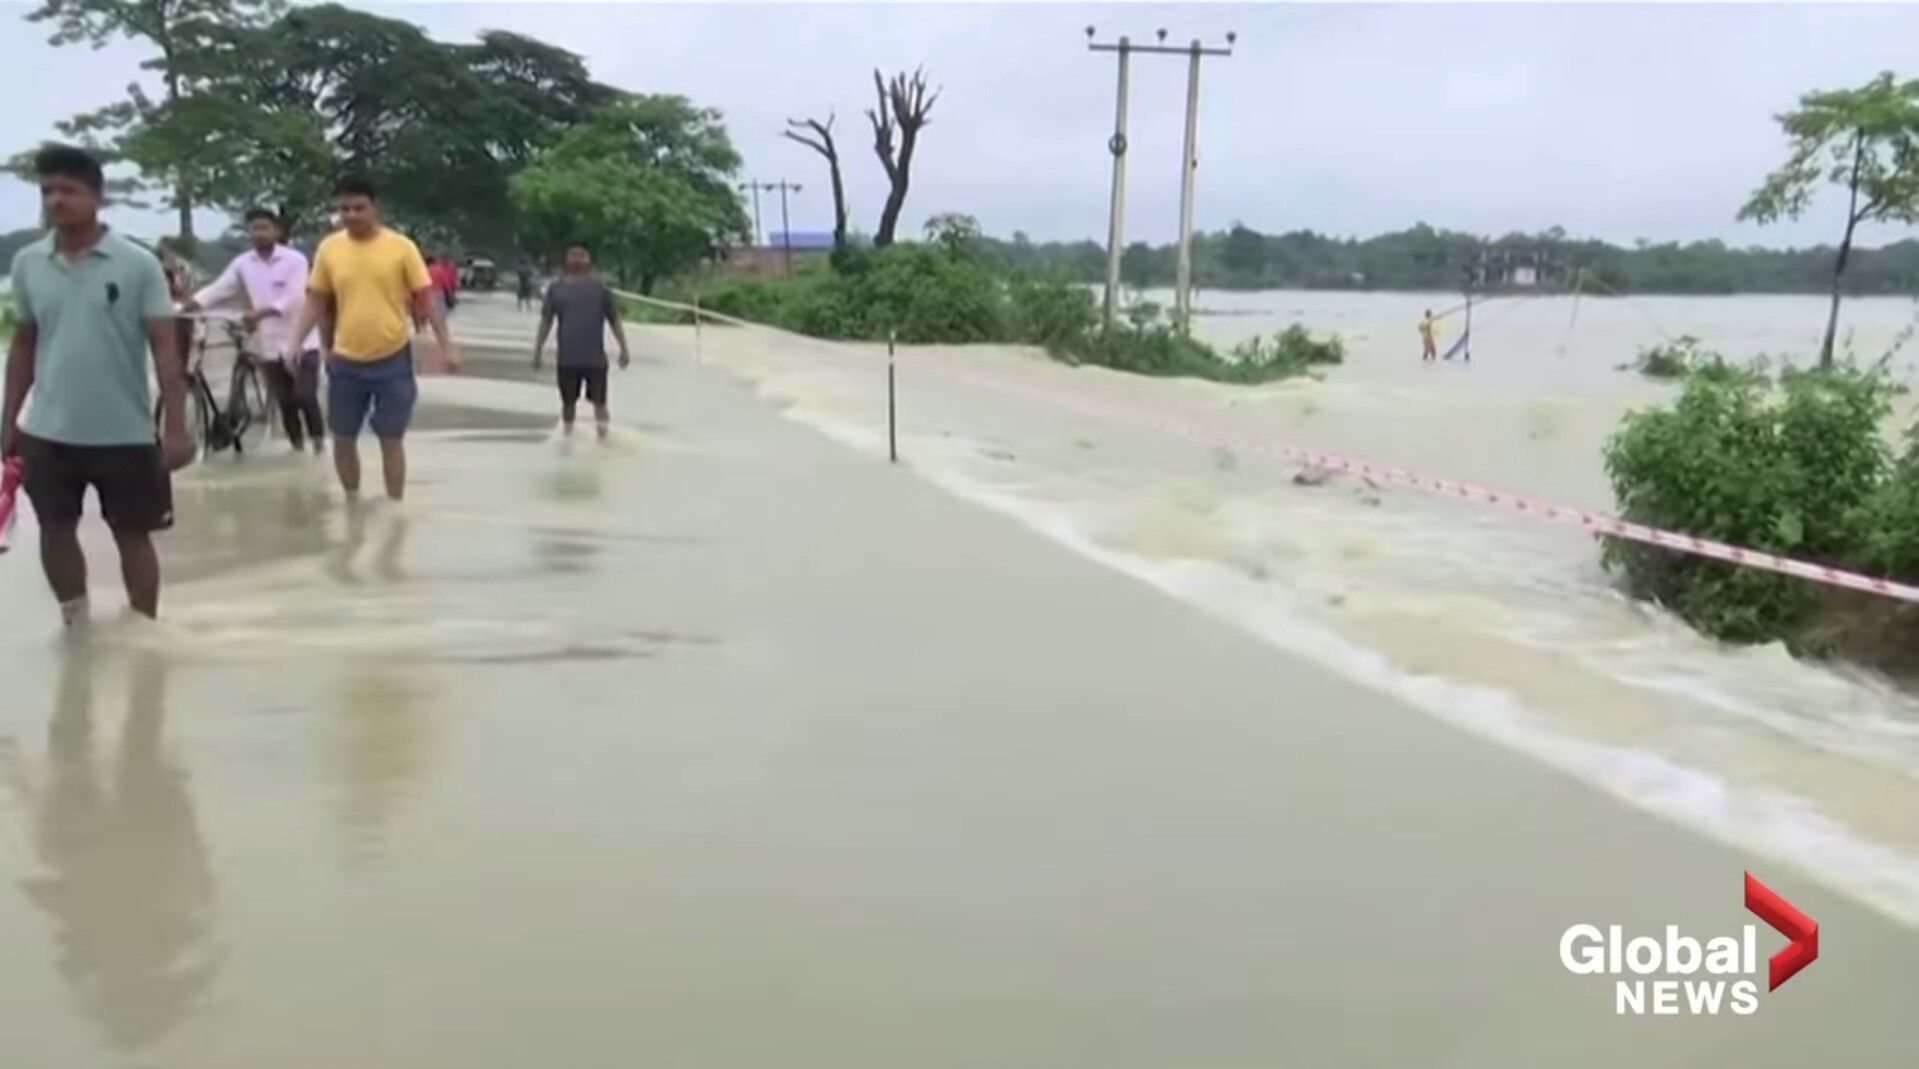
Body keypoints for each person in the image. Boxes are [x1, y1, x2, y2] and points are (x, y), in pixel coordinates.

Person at [2, 145, 193, 623]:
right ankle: (76, 627)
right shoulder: (28, 264)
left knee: (133, 534)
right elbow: (24, 347)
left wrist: (176, 427)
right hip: (48, 430)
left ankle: (144, 632)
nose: (56, 200)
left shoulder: (137, 264)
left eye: (68, 190)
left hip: (124, 431)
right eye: (48, 191)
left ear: (98, 197)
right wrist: (9, 424)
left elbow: (165, 350)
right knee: (55, 529)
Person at [284, 175, 459, 503]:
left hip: (392, 358)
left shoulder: (401, 247)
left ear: (375, 208)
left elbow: (427, 300)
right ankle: (352, 505)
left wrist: (446, 347)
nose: (351, 215)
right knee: (344, 437)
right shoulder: (330, 249)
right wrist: (295, 341)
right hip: (345, 359)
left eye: (359, 208)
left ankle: (395, 509)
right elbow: (316, 300)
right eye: (344, 209)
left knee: (391, 437)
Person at [180, 208, 326, 454]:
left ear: (276, 231)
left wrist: (262, 312)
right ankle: (298, 449)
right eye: (254, 229)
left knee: (304, 395)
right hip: (268, 343)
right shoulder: (243, 264)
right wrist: (192, 304)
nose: (259, 234)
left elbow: (294, 297)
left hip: (302, 339)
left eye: (264, 228)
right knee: (285, 401)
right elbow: (220, 289)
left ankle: (319, 443)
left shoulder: (295, 260)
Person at [533, 243, 631, 440]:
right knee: (568, 404)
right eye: (573, 255)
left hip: (594, 359)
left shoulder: (600, 288)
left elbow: (614, 319)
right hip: (568, 358)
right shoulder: (556, 289)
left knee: (600, 403)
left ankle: (603, 438)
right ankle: (567, 438)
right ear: (567, 263)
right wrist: (537, 350)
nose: (577, 259)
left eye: (581, 256)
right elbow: (546, 321)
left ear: (589, 262)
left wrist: (624, 348)